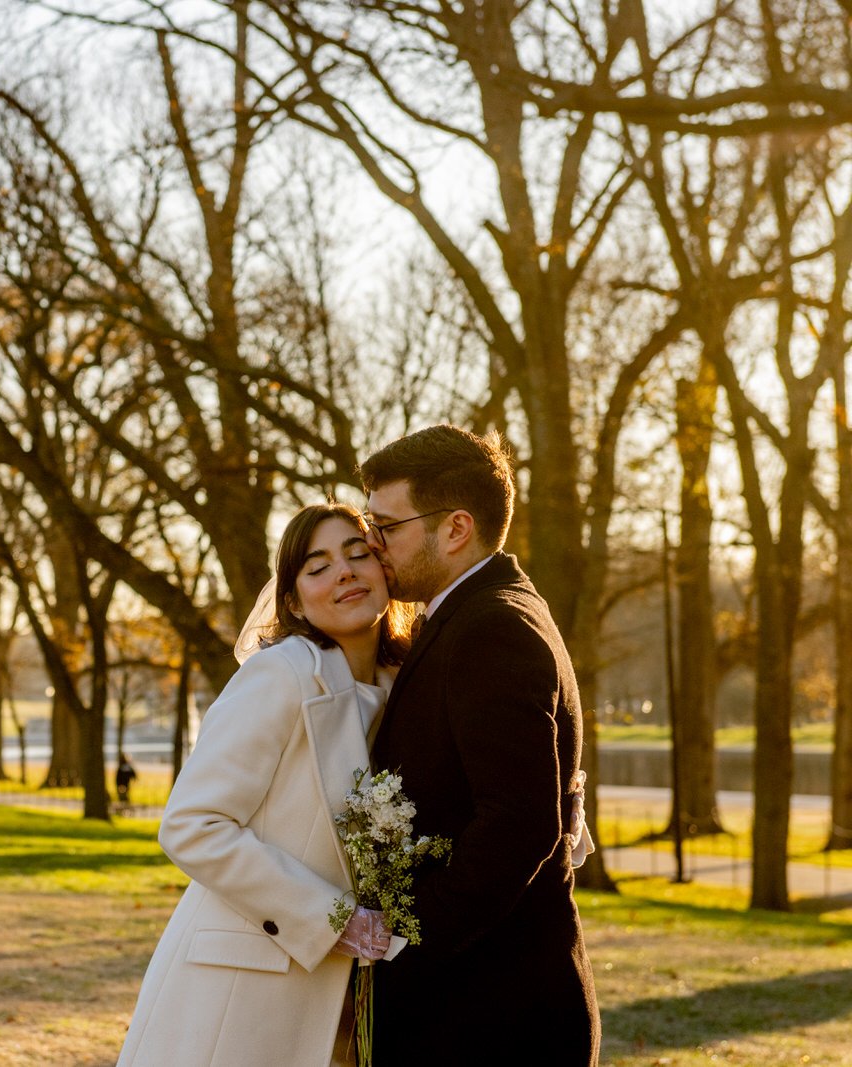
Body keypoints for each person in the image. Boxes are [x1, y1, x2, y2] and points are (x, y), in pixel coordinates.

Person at [117, 504, 415, 1067]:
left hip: (358, 1000)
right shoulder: (280, 674)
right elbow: (193, 826)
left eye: (358, 554)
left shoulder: (408, 688)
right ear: (295, 600)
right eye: (318, 565)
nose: (345, 572)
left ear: (387, 574)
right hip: (249, 984)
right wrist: (333, 921)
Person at [358, 425, 600, 1064]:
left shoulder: (493, 627)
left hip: (489, 1016)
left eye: (386, 527)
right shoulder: (474, 611)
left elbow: (519, 824)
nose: (371, 544)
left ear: (455, 528)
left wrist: (406, 938)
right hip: (477, 1006)